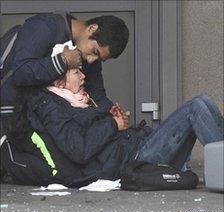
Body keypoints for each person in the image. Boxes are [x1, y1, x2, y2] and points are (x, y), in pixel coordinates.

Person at [1, 66, 223, 187]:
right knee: (195, 107)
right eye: (77, 72)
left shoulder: (72, 101)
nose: (83, 75)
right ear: (59, 82)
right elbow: (79, 148)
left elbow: (92, 133)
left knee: (203, 101)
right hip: (135, 159)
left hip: (135, 147)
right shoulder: (51, 107)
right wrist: (111, 124)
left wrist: (118, 123)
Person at [1, 11, 130, 134]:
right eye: (95, 52)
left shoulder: (89, 56)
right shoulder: (45, 26)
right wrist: (62, 62)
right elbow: (21, 73)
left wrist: (111, 113)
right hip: (11, 119)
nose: (91, 60)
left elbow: (96, 94)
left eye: (99, 58)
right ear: (92, 28)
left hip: (43, 124)